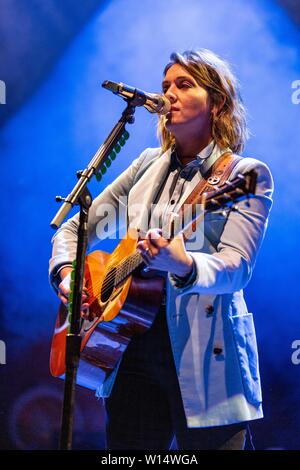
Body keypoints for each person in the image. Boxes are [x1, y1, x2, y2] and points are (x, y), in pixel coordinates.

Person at [49, 49, 274, 450]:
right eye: (165, 85)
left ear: (217, 102)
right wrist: (68, 276)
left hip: (206, 357)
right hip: (130, 354)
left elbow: (237, 267)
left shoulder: (245, 175)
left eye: (184, 85)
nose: (167, 94)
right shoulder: (145, 164)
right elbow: (75, 228)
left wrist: (183, 263)